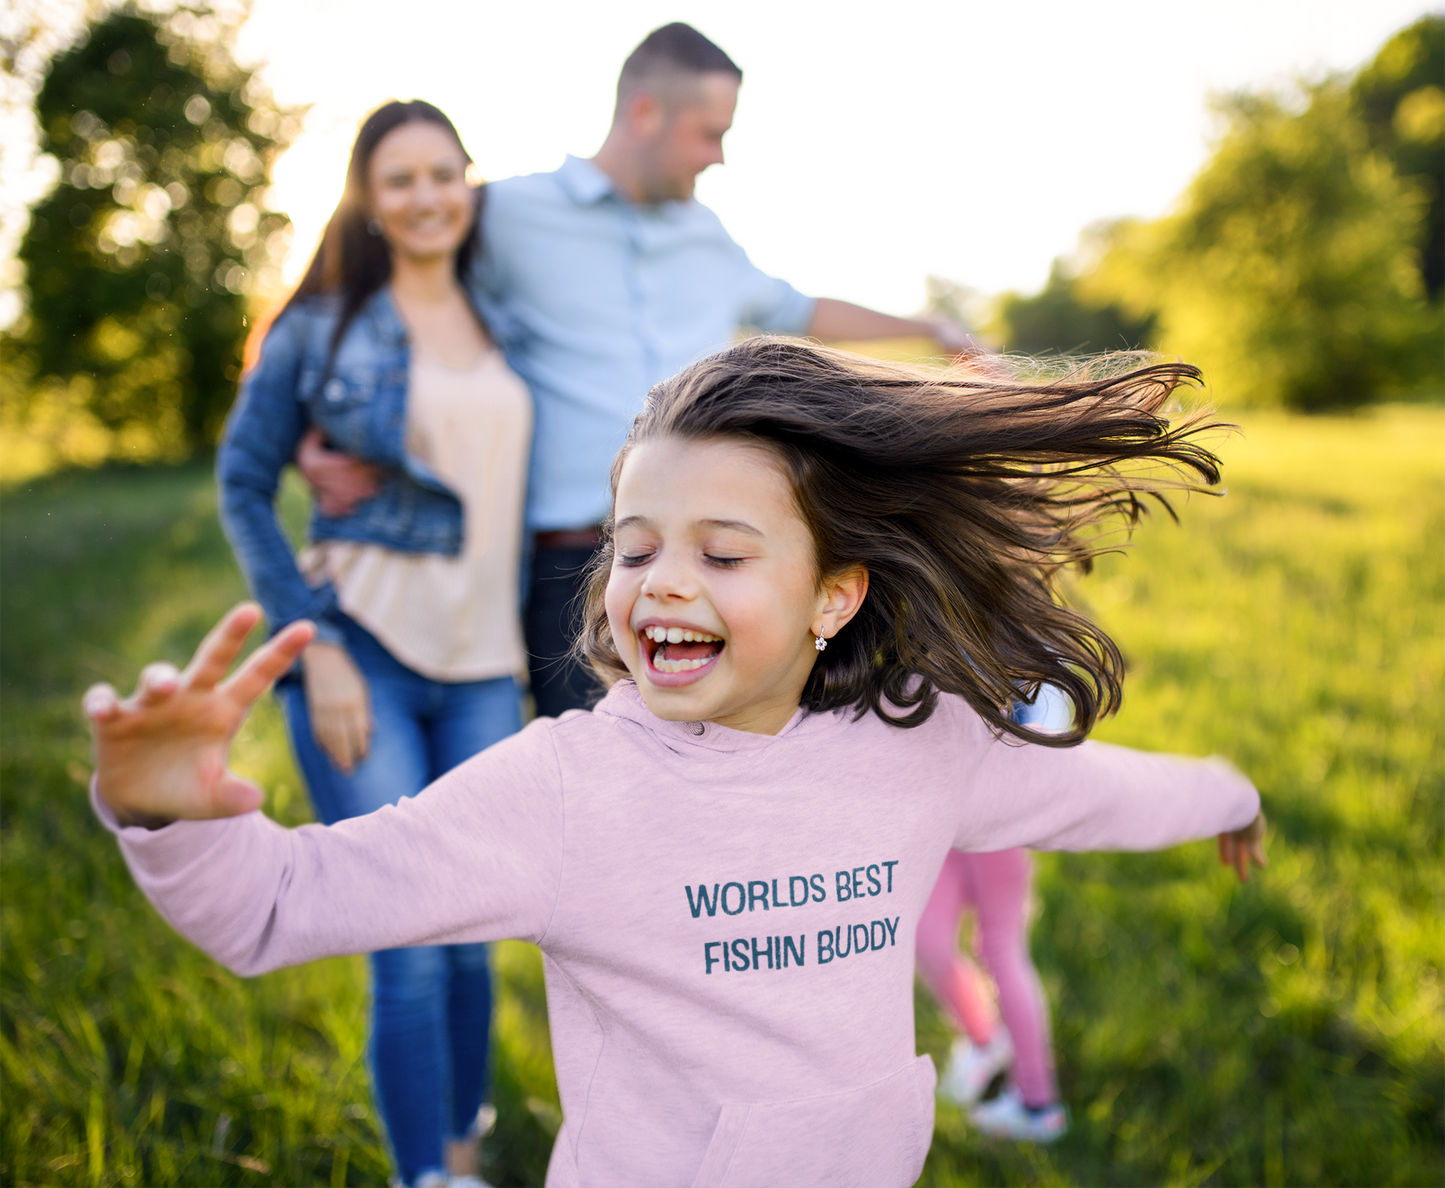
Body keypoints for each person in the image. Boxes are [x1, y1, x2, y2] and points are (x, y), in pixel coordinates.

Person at [86, 341, 1268, 1187]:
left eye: (722, 551)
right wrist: (168, 816)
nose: (660, 581)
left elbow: (1096, 790)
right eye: (634, 545)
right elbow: (283, 905)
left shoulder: (921, 747)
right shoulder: (561, 792)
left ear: (834, 595)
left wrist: (1226, 791)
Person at [300, 22, 985, 718]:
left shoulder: (706, 236)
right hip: (569, 566)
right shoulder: (505, 213)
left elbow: (799, 308)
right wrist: (314, 428)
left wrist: (929, 331)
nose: (717, 157)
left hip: (717, 555)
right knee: (602, 790)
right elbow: (377, 287)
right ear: (644, 113)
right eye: (708, 133)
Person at [216, 100, 531, 1188]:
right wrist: (315, 647)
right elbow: (243, 484)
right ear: (366, 195)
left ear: (467, 182)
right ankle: (421, 1178)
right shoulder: (322, 329)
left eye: (443, 173)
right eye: (398, 178)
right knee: (406, 942)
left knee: (472, 931)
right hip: (365, 659)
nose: (426, 196)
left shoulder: (505, 317)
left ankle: (458, 1150)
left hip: (488, 670)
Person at [918, 688, 1074, 1143]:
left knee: (999, 948)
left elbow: (1051, 700)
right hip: (939, 811)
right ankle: (985, 1040)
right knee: (925, 938)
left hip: (997, 809)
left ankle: (1038, 1105)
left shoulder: (1005, 630)